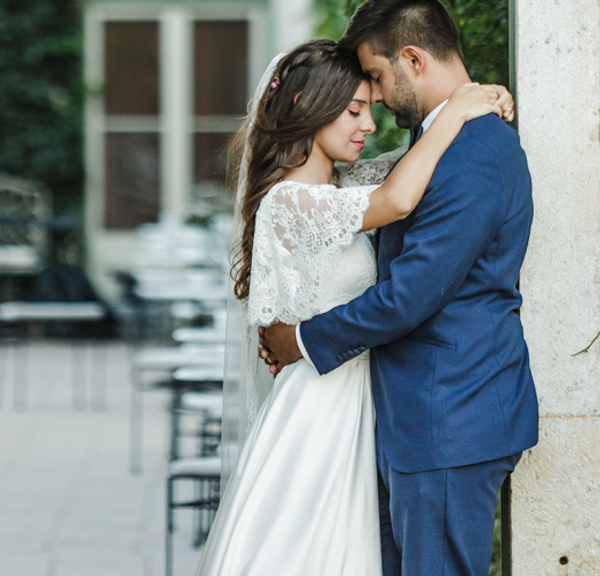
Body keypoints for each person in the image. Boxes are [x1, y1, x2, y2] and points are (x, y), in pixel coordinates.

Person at [196, 34, 511, 576]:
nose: (368, 124)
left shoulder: (343, 183)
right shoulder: (289, 202)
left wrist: (481, 99)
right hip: (321, 407)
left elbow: (416, 160)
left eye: (369, 108)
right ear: (304, 107)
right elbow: (398, 198)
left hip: (367, 397)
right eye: (353, 111)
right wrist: (460, 107)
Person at [259, 0, 538, 576]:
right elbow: (387, 198)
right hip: (416, 413)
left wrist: (303, 340)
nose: (376, 101)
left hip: (450, 413)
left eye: (377, 79)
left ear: (413, 59)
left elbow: (410, 294)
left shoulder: (475, 150)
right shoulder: (438, 141)